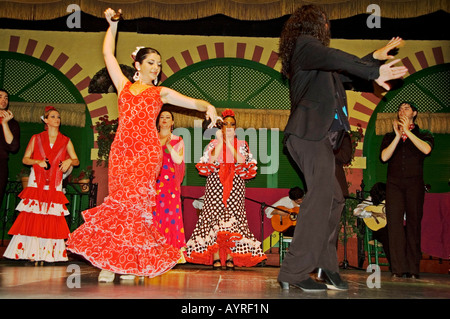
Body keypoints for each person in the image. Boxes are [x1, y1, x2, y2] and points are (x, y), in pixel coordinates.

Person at [66, 8, 218, 282]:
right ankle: (112, 262)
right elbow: (108, 56)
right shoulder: (123, 86)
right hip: (122, 150)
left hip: (147, 153)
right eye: (151, 62)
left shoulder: (160, 92)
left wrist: (208, 106)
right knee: (120, 204)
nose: (156, 67)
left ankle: (129, 263)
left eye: (159, 63)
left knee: (137, 206)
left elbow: (190, 101)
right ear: (138, 65)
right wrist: (112, 25)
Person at [276, 4, 408, 292]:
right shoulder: (304, 46)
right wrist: (374, 72)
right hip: (307, 133)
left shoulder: (322, 68)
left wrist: (374, 59)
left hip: (321, 138)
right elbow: (334, 56)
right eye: (322, 21)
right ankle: (293, 270)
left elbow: (346, 72)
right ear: (310, 24)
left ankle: (326, 265)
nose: (327, 26)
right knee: (322, 195)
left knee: (335, 197)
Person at [185, 109, 266, 270]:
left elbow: (242, 161)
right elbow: (211, 160)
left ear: (235, 127)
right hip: (215, 184)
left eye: (232, 124)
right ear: (221, 127)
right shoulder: (213, 144)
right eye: (225, 124)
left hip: (235, 185)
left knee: (233, 220)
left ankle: (230, 257)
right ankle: (215, 257)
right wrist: (221, 141)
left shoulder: (242, 144)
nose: (229, 127)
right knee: (214, 219)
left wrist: (229, 143)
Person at [3, 106, 79, 264]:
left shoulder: (66, 140)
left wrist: (69, 160)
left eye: (58, 117)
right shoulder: (36, 138)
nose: (56, 120)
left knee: (52, 214)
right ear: (45, 120)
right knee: (34, 214)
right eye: (53, 117)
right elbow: (25, 159)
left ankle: (49, 254)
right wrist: (37, 161)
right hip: (36, 180)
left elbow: (76, 160)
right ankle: (31, 252)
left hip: (55, 181)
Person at [380, 101, 433, 279]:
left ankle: (412, 268)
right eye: (400, 108)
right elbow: (384, 157)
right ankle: (397, 268)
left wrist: (408, 132)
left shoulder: (424, 134)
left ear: (414, 113)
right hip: (394, 184)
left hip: (414, 184)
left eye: (406, 108)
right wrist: (397, 135)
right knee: (394, 224)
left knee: (413, 224)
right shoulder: (389, 136)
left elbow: (426, 150)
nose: (402, 110)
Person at [153, 110, 186, 259]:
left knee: (170, 216)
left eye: (168, 118)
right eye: (162, 117)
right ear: (158, 121)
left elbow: (178, 160)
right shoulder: (151, 138)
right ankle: (153, 252)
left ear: (172, 122)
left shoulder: (177, 139)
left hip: (169, 185)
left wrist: (169, 146)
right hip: (152, 183)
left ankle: (170, 253)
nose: (165, 120)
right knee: (152, 216)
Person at [353, 182, 391, 266]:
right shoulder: (370, 200)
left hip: (391, 228)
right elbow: (356, 211)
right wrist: (372, 214)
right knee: (387, 238)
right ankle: (394, 264)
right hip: (379, 231)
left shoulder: (390, 200)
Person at [0, 88, 20, 209]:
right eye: (0, 96)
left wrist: (5, 123)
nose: (3, 100)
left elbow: (13, 147)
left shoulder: (12, 123)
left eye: (6, 98)